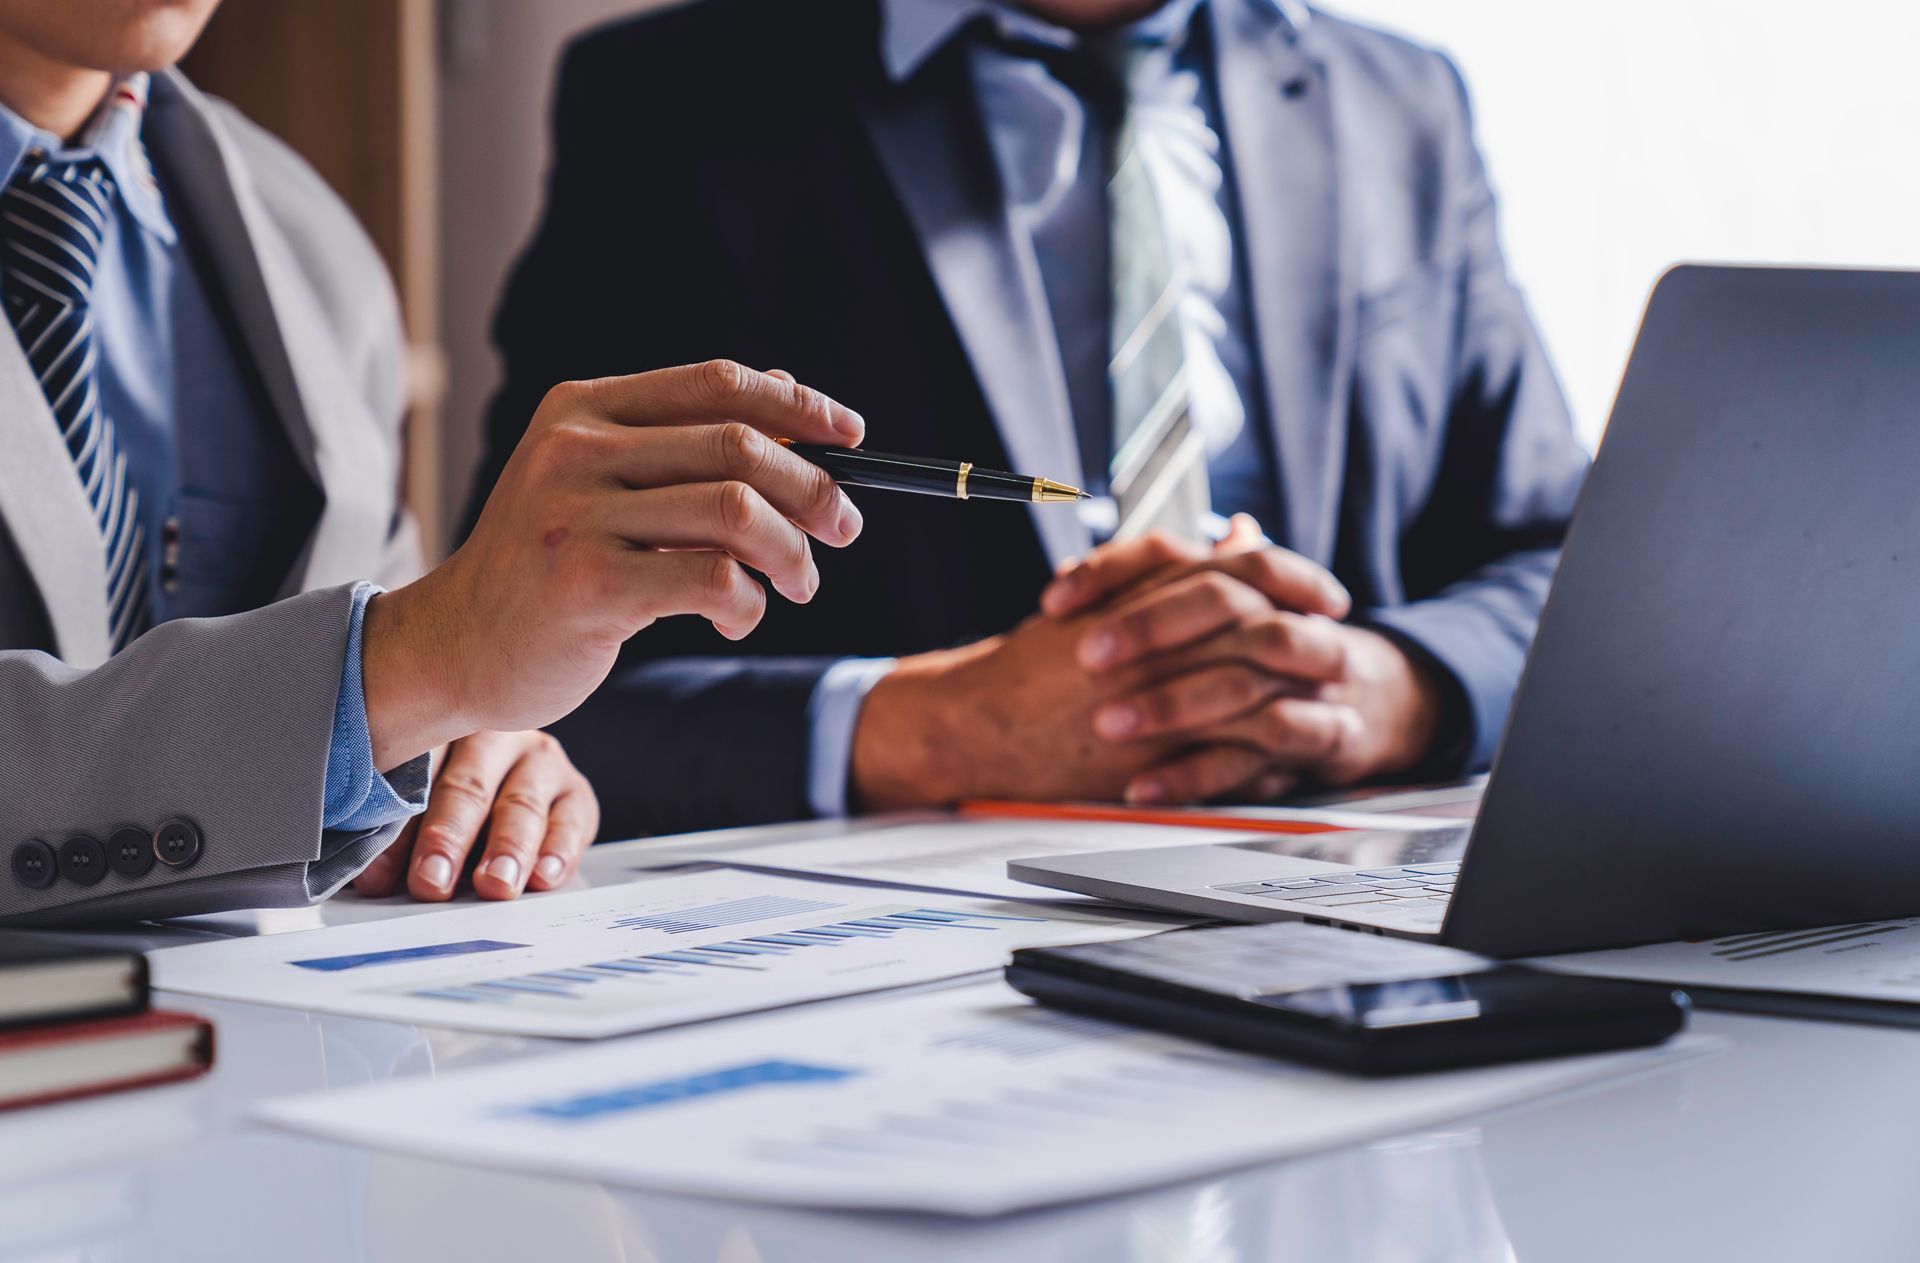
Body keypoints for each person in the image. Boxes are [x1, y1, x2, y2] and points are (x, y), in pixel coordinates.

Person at [467, 0, 1589, 836]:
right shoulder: (673, 104)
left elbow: (1569, 568)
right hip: (891, 979)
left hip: (1352, 906)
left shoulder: (1404, 102)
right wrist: (928, 727)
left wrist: (1381, 691)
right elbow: (515, 656)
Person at [0, 0, 865, 924]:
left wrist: (460, 753)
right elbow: (391, 661)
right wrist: (407, 671)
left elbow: (389, 673)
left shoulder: (310, 241)